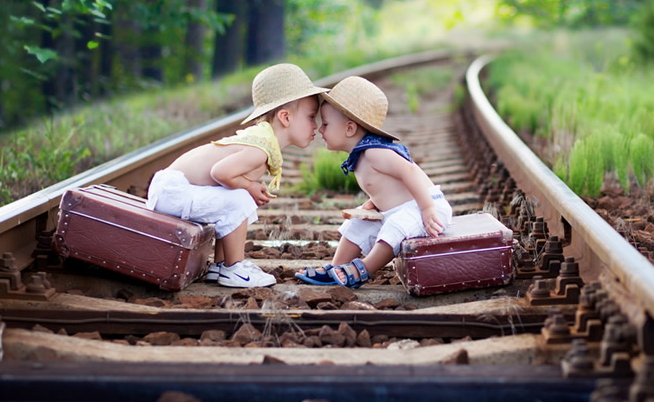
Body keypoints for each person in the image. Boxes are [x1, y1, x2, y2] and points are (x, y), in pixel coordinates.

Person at [146, 63, 327, 288]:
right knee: (240, 198)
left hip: (172, 189)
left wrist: (245, 185)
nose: (316, 126)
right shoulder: (260, 148)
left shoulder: (262, 141)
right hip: (174, 191)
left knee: (233, 197)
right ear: (285, 117)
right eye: (311, 117)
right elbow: (220, 172)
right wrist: (249, 186)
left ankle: (221, 265)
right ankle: (234, 269)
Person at [295, 75, 452, 288]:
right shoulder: (361, 156)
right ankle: (337, 266)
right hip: (401, 208)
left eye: (326, 124)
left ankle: (365, 269)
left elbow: (410, 171)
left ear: (350, 129)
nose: (321, 129)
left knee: (397, 225)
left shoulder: (374, 153)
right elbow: (387, 187)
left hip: (426, 207)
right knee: (358, 221)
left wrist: (427, 208)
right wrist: (374, 203)